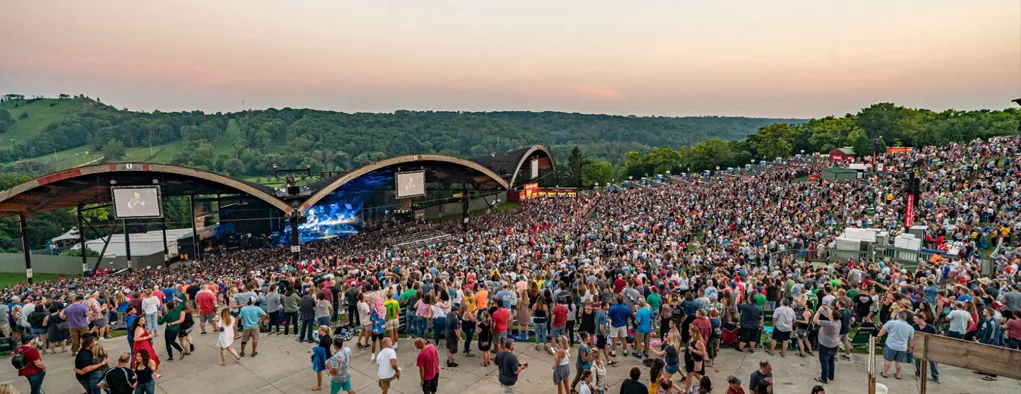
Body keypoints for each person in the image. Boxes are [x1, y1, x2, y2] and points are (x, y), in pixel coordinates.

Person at [876, 311, 914, 380]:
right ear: (905, 318)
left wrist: (878, 336)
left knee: (888, 359)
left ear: (897, 316)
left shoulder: (892, 322)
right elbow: (911, 339)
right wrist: (910, 347)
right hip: (903, 347)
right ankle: (898, 374)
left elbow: (883, 331)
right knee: (899, 361)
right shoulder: (910, 328)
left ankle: (885, 373)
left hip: (891, 345)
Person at [813, 305, 841, 384]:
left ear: (832, 316)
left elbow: (815, 320)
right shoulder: (838, 321)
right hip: (834, 344)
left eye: (831, 313)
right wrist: (827, 310)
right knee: (831, 360)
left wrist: (819, 311)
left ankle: (824, 378)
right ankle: (831, 376)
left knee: (824, 361)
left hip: (825, 344)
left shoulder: (829, 324)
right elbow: (831, 316)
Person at [910, 314, 939, 384]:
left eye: (915, 319)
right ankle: (918, 373)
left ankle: (935, 376)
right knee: (917, 361)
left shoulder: (931, 328)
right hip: (919, 346)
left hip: (929, 347)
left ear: (921, 319)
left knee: (933, 362)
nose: (914, 320)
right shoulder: (914, 326)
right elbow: (912, 336)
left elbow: (936, 339)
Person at [684, 325, 707, 394]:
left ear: (694, 332)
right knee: (694, 374)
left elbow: (703, 353)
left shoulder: (699, 341)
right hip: (689, 361)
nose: (688, 331)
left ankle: (686, 391)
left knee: (689, 375)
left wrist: (693, 350)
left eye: (690, 330)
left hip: (693, 362)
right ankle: (706, 384)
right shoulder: (691, 338)